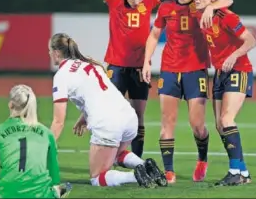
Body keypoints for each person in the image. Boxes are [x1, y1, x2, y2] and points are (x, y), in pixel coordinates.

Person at [89, 0, 211, 158]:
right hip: (115, 67)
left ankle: (136, 160)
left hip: (138, 69)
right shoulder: (115, 1)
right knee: (111, 113)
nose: (137, 2)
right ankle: (109, 156)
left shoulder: (149, 1)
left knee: (138, 117)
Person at [142, 0, 234, 184]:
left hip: (196, 70)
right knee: (167, 122)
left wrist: (211, 8)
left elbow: (227, 1)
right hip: (170, 70)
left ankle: (202, 159)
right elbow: (154, 34)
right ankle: (169, 171)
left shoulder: (202, 3)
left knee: (198, 125)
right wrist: (146, 61)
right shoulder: (166, 7)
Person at [48, 33, 167, 188]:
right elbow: (98, 92)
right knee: (115, 154)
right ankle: (146, 166)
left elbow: (58, 121)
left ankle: (135, 175)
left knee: (96, 178)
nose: (49, 54)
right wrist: (84, 117)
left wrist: (46, 146)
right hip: (128, 117)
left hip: (108, 123)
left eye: (49, 51)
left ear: (57, 52)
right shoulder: (90, 64)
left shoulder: (61, 75)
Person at [194, 0, 256, 186]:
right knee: (220, 125)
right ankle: (243, 173)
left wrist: (234, 55)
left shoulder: (226, 17)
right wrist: (210, 5)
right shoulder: (202, 14)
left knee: (227, 119)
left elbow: (250, 41)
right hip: (220, 73)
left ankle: (234, 172)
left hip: (239, 70)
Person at [0, 85, 72, 198]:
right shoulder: (47, 133)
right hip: (41, 195)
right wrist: (56, 188)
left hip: (7, 195)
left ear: (10, 104)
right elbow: (54, 171)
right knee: (53, 189)